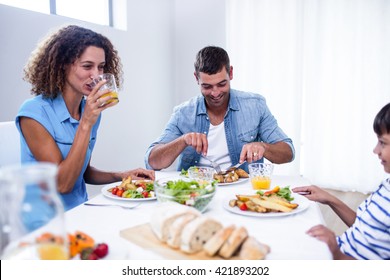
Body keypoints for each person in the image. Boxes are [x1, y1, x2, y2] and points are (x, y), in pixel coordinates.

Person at [16, 25, 154, 211]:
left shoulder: (88, 111)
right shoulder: (34, 113)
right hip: (45, 219)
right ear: (62, 65)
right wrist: (86, 122)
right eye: (87, 66)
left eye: (101, 67)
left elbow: (83, 172)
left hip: (80, 208)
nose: (97, 76)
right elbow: (62, 185)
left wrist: (121, 175)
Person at [145, 46, 294, 172]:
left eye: (222, 84)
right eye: (207, 86)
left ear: (231, 73)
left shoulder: (255, 106)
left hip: (241, 194)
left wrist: (263, 147)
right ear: (196, 78)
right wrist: (183, 140)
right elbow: (152, 162)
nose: (215, 93)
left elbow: (288, 152)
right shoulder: (183, 113)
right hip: (195, 193)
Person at [293, 103, 390, 260]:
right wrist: (330, 199)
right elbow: (363, 227)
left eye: (383, 142)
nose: (375, 150)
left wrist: (337, 255)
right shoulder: (386, 185)